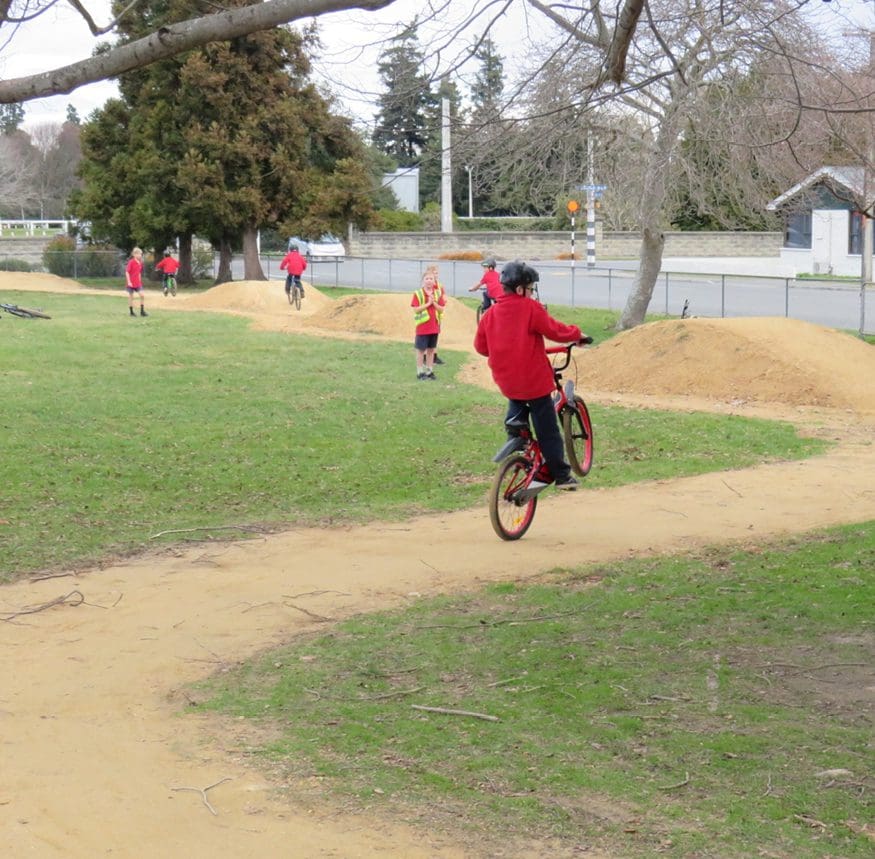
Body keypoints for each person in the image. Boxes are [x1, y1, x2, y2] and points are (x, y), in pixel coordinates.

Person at [473, 260, 585, 491]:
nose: (532, 293)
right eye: (531, 288)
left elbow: (481, 347)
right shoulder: (530, 308)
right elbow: (555, 330)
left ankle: (515, 431)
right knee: (548, 430)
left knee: (517, 400)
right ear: (520, 289)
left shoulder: (490, 314)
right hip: (534, 381)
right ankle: (562, 476)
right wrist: (576, 334)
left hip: (506, 381)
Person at [411, 267, 446, 380]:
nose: (429, 281)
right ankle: (420, 372)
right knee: (421, 351)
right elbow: (416, 309)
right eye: (427, 278)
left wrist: (434, 303)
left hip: (434, 327)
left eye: (431, 278)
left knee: (431, 350)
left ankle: (429, 371)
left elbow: (441, 309)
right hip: (422, 327)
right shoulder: (418, 294)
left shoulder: (437, 293)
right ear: (423, 280)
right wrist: (428, 304)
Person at [125, 247, 147, 317]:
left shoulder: (140, 263)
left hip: (137, 283)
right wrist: (129, 282)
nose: (140, 255)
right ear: (134, 254)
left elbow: (139, 272)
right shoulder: (131, 262)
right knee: (131, 297)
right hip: (131, 283)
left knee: (142, 295)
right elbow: (127, 272)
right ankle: (131, 312)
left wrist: (140, 280)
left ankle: (142, 311)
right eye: (139, 254)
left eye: (141, 254)